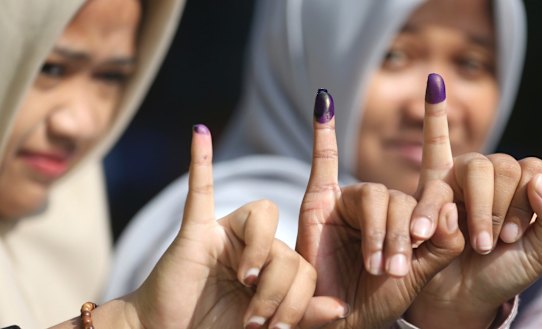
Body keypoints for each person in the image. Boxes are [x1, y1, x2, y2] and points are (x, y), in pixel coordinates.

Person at [106, 0, 542, 328]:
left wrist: (450, 314)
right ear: (309, 52)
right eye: (393, 55)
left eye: (472, 64)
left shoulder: (459, 253)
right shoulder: (229, 245)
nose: (432, 106)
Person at [1, 1, 344, 328]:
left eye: (111, 77)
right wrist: (128, 321)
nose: (80, 123)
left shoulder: (73, 218)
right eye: (50, 68)